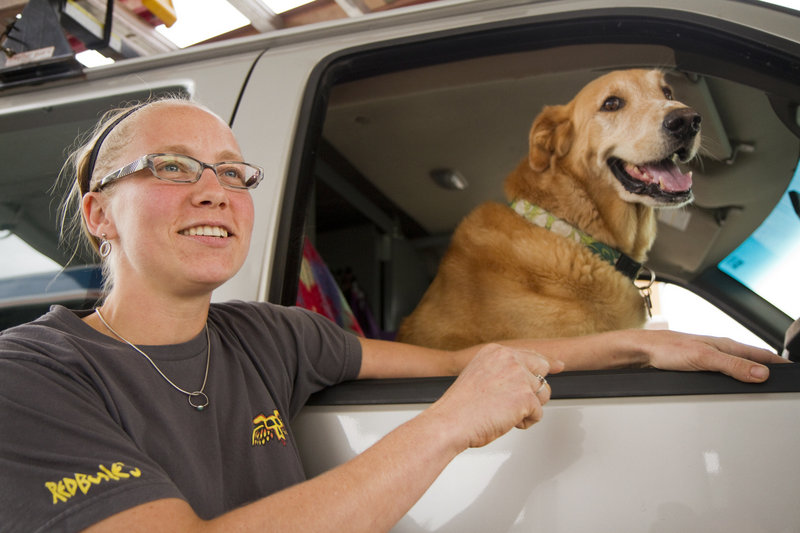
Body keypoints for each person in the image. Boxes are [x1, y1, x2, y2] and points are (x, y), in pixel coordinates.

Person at [0, 96, 786, 533]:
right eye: (173, 168)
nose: (215, 191)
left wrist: (644, 348)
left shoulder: (269, 335)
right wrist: (449, 424)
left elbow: (451, 362)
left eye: (234, 174)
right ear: (100, 213)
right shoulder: (31, 375)